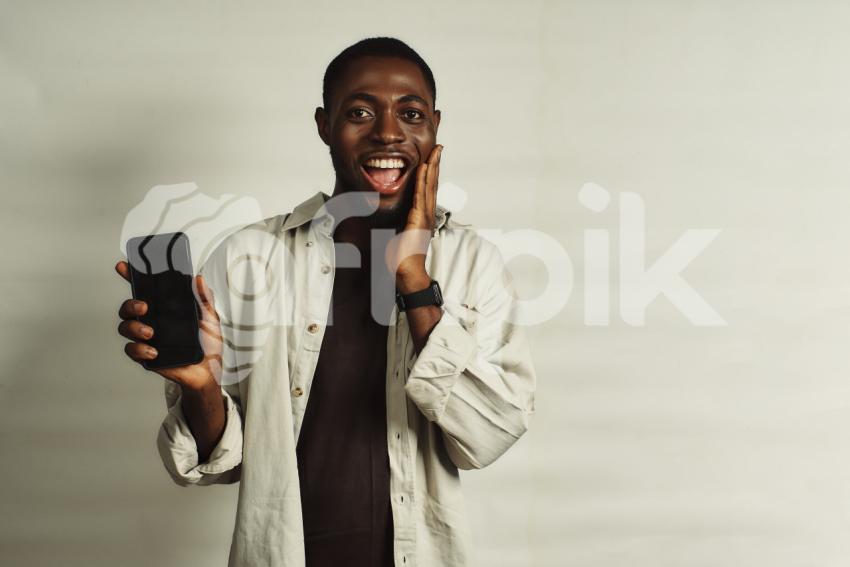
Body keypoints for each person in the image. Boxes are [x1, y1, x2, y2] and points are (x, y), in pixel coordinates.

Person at [115, 37, 536, 567]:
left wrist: (413, 276)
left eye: (410, 113)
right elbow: (217, 464)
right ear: (323, 125)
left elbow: (488, 435)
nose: (388, 132)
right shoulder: (250, 257)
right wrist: (201, 386)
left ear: (434, 126)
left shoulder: (474, 262)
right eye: (359, 111)